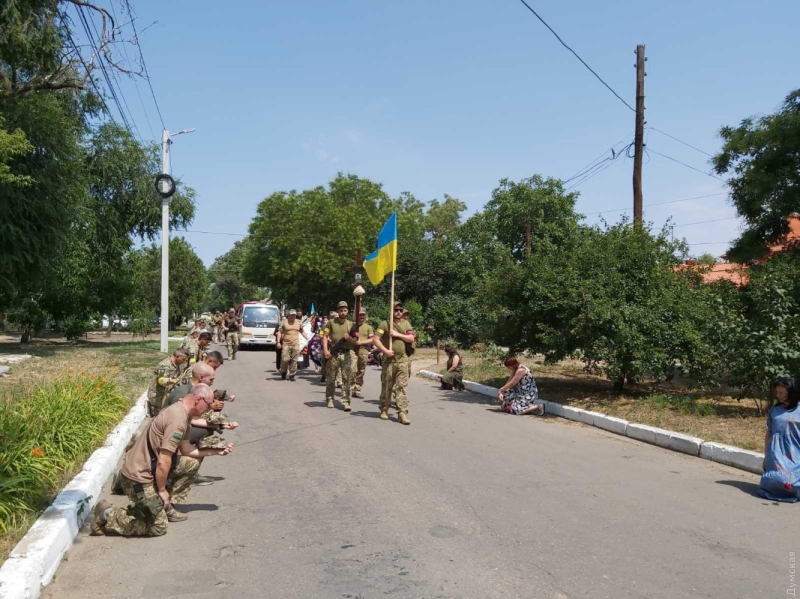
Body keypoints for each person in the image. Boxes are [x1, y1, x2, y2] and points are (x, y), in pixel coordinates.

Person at [91, 384, 234, 537]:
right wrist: (161, 490)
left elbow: (187, 450)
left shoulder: (183, 414)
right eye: (208, 403)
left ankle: (162, 507)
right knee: (158, 527)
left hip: (150, 468)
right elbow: (163, 461)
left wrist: (217, 451)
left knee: (191, 463)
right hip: (138, 477)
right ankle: (107, 513)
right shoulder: (177, 420)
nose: (210, 407)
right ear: (198, 399)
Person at [759, 377, 800, 502]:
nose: (778, 395)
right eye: (777, 392)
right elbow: (769, 433)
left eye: (781, 393)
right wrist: (766, 455)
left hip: (795, 451)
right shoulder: (775, 410)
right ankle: (774, 492)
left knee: (792, 480)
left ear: (791, 393)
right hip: (775, 451)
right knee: (777, 478)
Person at [373, 302, 415, 424]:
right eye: (396, 310)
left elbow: (411, 338)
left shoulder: (406, 323)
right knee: (387, 386)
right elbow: (376, 339)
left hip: (402, 360)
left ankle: (402, 412)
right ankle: (384, 409)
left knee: (401, 387)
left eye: (400, 310)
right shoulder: (385, 324)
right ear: (391, 311)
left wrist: (396, 334)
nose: (398, 312)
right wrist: (385, 351)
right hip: (389, 361)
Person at [321, 301, 354, 410]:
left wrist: (350, 339)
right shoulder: (331, 322)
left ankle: (345, 401)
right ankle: (330, 398)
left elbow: (355, 340)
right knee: (331, 377)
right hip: (333, 354)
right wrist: (326, 350)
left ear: (347, 311)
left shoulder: (351, 324)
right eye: (341, 310)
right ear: (338, 311)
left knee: (346, 378)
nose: (343, 312)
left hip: (346, 354)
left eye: (345, 310)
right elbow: (325, 336)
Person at [146, 348, 189, 417]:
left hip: (166, 394)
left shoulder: (177, 364)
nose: (183, 361)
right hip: (158, 395)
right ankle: (149, 407)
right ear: (177, 356)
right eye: (183, 359)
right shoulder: (164, 365)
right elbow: (161, 380)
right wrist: (170, 380)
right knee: (158, 417)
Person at [277, 309, 310, 381]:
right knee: (285, 359)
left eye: (294, 315)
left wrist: (308, 338)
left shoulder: (298, 322)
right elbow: (279, 332)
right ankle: (284, 372)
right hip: (286, 344)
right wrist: (278, 342)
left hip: (295, 344)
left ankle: (292, 375)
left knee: (294, 360)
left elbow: (302, 331)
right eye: (291, 315)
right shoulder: (284, 322)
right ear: (288, 315)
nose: (293, 316)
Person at [350, 308, 374, 398]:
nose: (361, 317)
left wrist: (361, 342)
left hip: (364, 351)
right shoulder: (352, 326)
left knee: (361, 371)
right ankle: (351, 388)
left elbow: (372, 339)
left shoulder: (368, 327)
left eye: (363, 315)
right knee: (352, 370)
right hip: (353, 350)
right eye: (360, 315)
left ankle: (357, 389)